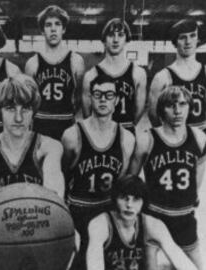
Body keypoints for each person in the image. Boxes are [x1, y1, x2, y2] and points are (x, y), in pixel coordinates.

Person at [130, 86, 206, 270]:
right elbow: (131, 181)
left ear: (189, 106)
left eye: (182, 104)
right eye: (171, 105)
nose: (178, 110)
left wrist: (191, 200)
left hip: (184, 217)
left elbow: (198, 177)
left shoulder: (199, 138)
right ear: (161, 110)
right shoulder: (146, 139)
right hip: (155, 215)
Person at [62, 76, 135, 270]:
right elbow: (63, 175)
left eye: (109, 95)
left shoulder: (126, 138)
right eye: (98, 94)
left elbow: (123, 181)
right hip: (78, 211)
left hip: (108, 213)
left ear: (117, 100)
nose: (103, 99)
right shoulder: (72, 135)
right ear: (90, 98)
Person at [0, 74, 65, 213]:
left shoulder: (49, 147)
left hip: (38, 229)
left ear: (33, 111)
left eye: (25, 109)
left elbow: (54, 202)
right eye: (10, 108)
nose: (18, 118)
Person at [86, 174, 198, 270]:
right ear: (115, 199)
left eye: (136, 199)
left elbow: (178, 257)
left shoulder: (151, 224)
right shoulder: (100, 224)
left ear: (143, 202)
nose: (129, 205)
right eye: (124, 198)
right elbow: (94, 265)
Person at [25, 5, 85, 140]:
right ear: (42, 30)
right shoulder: (32, 63)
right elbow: (29, 102)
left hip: (66, 124)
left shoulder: (76, 60)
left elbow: (78, 97)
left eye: (57, 24)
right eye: (48, 25)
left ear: (63, 29)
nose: (53, 29)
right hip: (40, 124)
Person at [82, 18, 147, 133]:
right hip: (100, 133)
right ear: (104, 40)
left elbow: (138, 112)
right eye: (111, 35)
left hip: (126, 131)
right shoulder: (91, 75)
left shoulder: (138, 73)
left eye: (121, 35)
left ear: (127, 39)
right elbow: (87, 113)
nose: (116, 40)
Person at [148, 19, 206, 132]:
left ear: (198, 39)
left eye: (192, 36)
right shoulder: (162, 77)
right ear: (175, 42)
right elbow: (153, 116)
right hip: (175, 138)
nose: (188, 42)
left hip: (201, 138)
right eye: (182, 37)